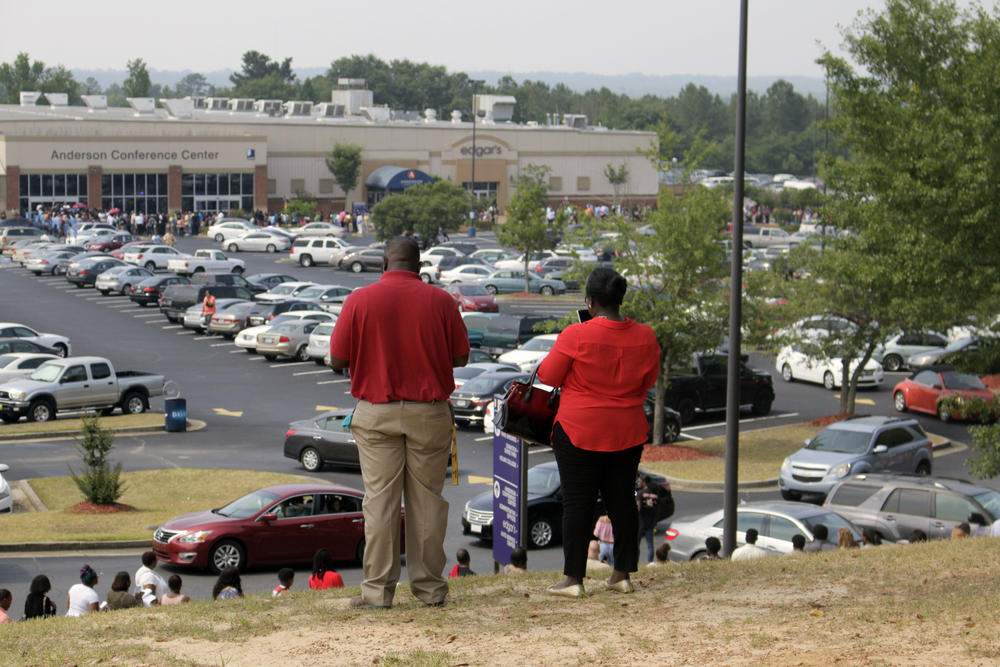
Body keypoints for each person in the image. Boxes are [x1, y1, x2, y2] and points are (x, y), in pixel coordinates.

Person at [329, 236, 469, 610]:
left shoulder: (359, 300)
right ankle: (429, 589)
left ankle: (378, 592)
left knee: (380, 503)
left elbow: (337, 358)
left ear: (383, 264)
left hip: (376, 411)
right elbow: (461, 357)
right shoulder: (441, 301)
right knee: (427, 502)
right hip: (429, 411)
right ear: (419, 267)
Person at [537, 267, 660, 597]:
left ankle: (573, 580)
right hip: (628, 432)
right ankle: (622, 575)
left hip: (579, 430)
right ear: (620, 300)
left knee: (577, 503)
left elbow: (548, 376)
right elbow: (649, 381)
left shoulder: (575, 336)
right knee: (622, 501)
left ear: (590, 302)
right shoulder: (646, 336)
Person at [636, 476, 661, 565]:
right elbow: (657, 510)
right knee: (650, 545)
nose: (638, 483)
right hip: (650, 523)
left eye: (639, 481)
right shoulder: (655, 496)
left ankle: (635, 562)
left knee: (636, 544)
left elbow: (638, 508)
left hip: (640, 523)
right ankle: (650, 563)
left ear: (644, 482)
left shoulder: (640, 493)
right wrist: (655, 522)